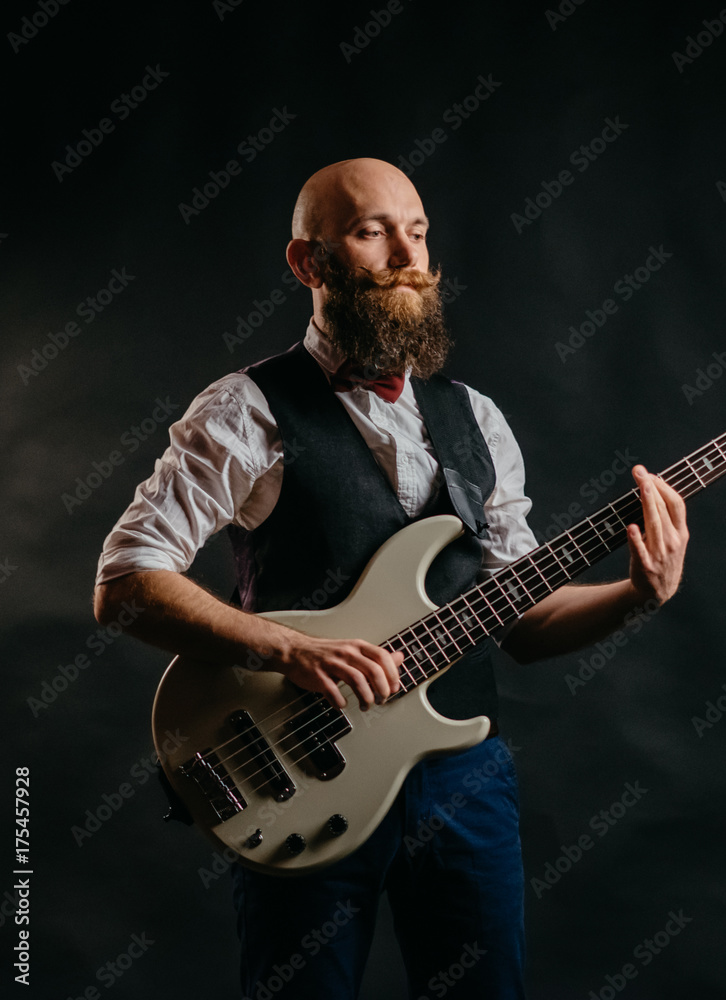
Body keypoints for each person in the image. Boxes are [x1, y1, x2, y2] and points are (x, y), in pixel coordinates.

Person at [93, 157, 689, 999]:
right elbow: (124, 581)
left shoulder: (477, 418)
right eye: (372, 233)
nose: (407, 255)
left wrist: (636, 595)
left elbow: (519, 619)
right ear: (309, 263)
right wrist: (283, 650)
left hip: (464, 780)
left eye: (417, 232)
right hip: (297, 774)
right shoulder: (245, 410)